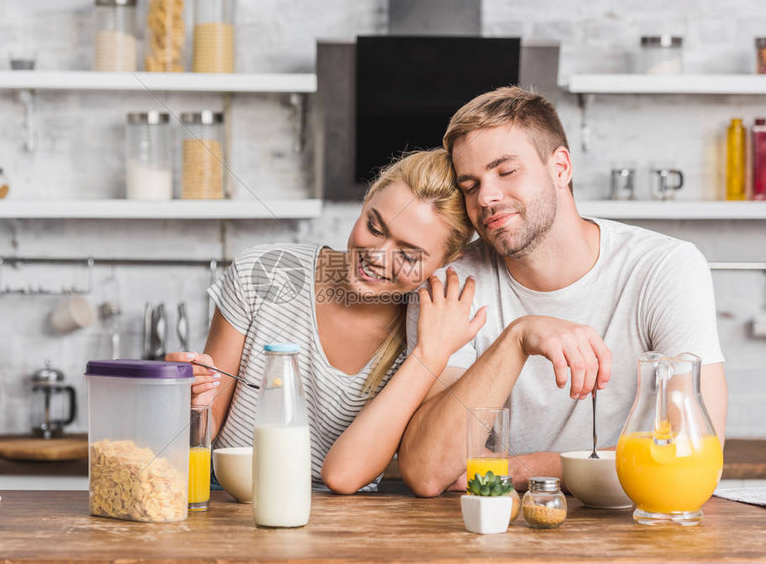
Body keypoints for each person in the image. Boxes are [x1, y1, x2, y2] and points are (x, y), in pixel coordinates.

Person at [398, 87, 728, 496]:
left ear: (560, 168)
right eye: (470, 185)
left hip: (627, 529)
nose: (486, 197)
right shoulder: (451, 285)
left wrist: (522, 469)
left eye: (506, 171)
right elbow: (429, 471)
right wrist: (518, 338)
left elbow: (694, 454)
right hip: (490, 534)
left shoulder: (664, 267)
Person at [168, 149, 486, 494]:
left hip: (340, 519)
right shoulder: (265, 274)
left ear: (448, 259)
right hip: (232, 500)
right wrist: (187, 402)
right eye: (374, 227)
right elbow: (202, 427)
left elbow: (344, 477)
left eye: (408, 255)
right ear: (365, 203)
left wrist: (429, 356)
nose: (377, 257)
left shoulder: (434, 330)